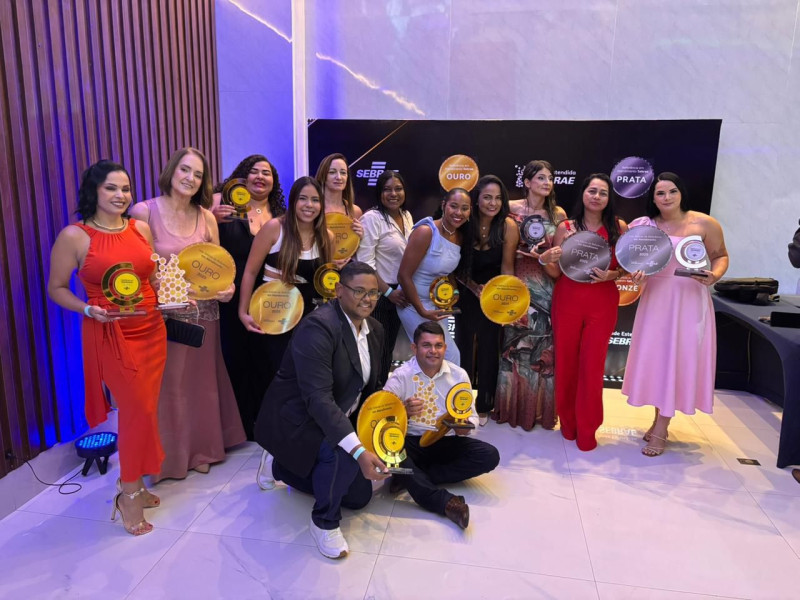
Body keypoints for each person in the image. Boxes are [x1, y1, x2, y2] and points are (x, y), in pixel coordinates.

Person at [48, 159, 166, 535]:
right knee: (135, 412)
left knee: (146, 411)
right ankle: (128, 495)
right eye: (111, 188)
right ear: (94, 191)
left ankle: (136, 482)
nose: (120, 195)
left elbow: (153, 277)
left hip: (152, 329)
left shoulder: (140, 228)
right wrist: (87, 309)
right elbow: (56, 288)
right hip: (110, 335)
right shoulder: (75, 236)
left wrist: (176, 294)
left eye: (125, 188)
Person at [253, 261, 388, 559]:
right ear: (339, 290)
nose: (367, 299)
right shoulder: (318, 327)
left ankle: (278, 466)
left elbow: (372, 387)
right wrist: (357, 448)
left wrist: (384, 425)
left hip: (335, 414)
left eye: (373, 293)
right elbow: (318, 399)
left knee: (359, 497)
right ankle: (324, 523)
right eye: (359, 291)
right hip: (300, 418)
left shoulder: (376, 329)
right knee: (345, 454)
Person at [129, 147, 246, 480]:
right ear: (171, 170)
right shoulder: (143, 211)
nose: (190, 178)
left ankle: (202, 450)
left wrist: (228, 289)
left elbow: (219, 267)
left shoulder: (206, 217)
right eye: (185, 169)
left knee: (200, 384)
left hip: (204, 314)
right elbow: (138, 268)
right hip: (164, 315)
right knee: (168, 386)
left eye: (198, 174)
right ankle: (168, 459)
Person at [622, 172, 729, 456]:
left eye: (672, 191)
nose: (667, 197)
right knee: (660, 361)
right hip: (656, 299)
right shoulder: (643, 226)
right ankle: (658, 420)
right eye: (660, 193)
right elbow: (628, 261)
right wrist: (634, 272)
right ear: (653, 198)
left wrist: (714, 275)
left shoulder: (704, 223)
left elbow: (720, 255)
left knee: (679, 359)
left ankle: (661, 428)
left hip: (690, 300)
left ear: (681, 193)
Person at [539, 173, 628, 451]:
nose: (597, 196)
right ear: (583, 194)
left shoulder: (619, 227)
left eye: (603, 192)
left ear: (609, 198)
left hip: (602, 301)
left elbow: (625, 267)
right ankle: (568, 425)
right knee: (566, 362)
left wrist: (613, 274)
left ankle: (588, 430)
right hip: (568, 299)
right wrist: (545, 259)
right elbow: (556, 272)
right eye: (592, 191)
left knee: (592, 365)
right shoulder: (566, 227)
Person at [383, 321, 500, 529]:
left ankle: (411, 477)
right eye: (426, 345)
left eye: (438, 345)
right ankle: (446, 503)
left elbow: (471, 416)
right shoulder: (401, 376)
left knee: (490, 455)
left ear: (445, 348)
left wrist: (465, 426)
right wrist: (403, 411)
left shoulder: (458, 375)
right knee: (390, 452)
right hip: (409, 441)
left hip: (444, 440)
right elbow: (381, 422)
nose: (433, 351)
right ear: (414, 348)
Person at [210, 155, 286, 439]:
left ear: (273, 182)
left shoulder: (279, 214)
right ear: (242, 176)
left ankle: (264, 424)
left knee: (266, 360)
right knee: (234, 358)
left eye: (266, 173)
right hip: (229, 297)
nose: (260, 177)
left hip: (268, 298)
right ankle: (237, 427)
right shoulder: (221, 203)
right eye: (254, 171)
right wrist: (212, 218)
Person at [237, 176, 333, 391]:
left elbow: (326, 284)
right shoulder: (275, 228)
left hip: (309, 322)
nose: (309, 205)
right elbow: (250, 272)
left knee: (304, 383)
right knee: (274, 382)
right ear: (293, 201)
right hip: (273, 318)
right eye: (303, 198)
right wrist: (243, 312)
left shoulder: (328, 237)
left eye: (315, 200)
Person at [495, 160, 566, 431]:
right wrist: (509, 290)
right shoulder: (510, 209)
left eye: (550, 178)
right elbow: (503, 252)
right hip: (517, 284)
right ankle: (511, 409)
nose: (547, 183)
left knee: (542, 348)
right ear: (527, 182)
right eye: (541, 178)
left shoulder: (558, 213)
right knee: (515, 347)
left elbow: (559, 257)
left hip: (547, 286)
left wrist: (546, 257)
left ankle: (537, 413)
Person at [454, 175, 518, 425]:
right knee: (463, 347)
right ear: (476, 199)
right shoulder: (464, 222)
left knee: (490, 349)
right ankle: (460, 402)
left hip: (494, 297)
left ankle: (484, 405)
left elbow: (507, 267)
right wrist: (473, 287)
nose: (493, 203)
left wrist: (503, 299)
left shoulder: (507, 226)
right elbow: (454, 266)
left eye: (498, 198)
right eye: (487, 197)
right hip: (465, 292)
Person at [396, 188, 472, 364]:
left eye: (464, 208)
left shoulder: (460, 236)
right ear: (444, 205)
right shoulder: (426, 231)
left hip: (435, 306)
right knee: (438, 356)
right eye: (454, 206)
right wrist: (422, 310)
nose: (459, 213)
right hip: (412, 304)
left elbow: (447, 273)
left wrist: (451, 297)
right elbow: (403, 275)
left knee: (450, 357)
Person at [356, 170, 414, 378]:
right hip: (378, 294)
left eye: (398, 189)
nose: (393, 194)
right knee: (376, 352)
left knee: (388, 349)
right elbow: (365, 263)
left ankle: (381, 390)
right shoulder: (371, 218)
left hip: (401, 293)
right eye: (387, 189)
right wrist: (389, 292)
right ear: (379, 193)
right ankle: (371, 393)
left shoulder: (407, 216)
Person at [315, 152, 364, 238]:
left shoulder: (355, 211)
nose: (339, 177)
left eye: (343, 173)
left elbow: (358, 244)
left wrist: (361, 237)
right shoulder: (313, 208)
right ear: (323, 176)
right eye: (332, 172)